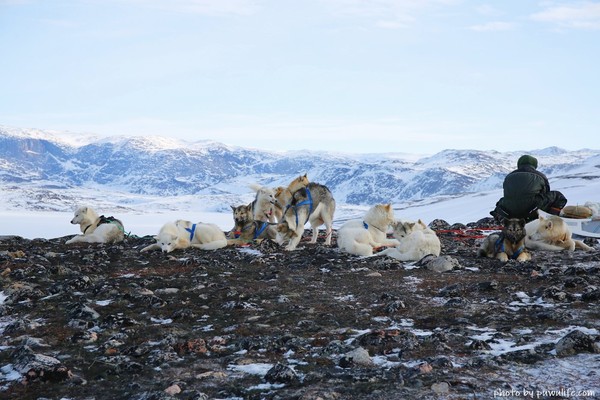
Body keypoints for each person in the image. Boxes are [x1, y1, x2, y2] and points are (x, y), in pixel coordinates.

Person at [490, 154, 567, 223]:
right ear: (534, 165)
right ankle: (551, 218)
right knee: (557, 195)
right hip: (532, 209)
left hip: (509, 211)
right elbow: (545, 192)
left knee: (502, 201)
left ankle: (502, 218)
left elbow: (507, 194)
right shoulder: (540, 176)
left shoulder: (509, 176)